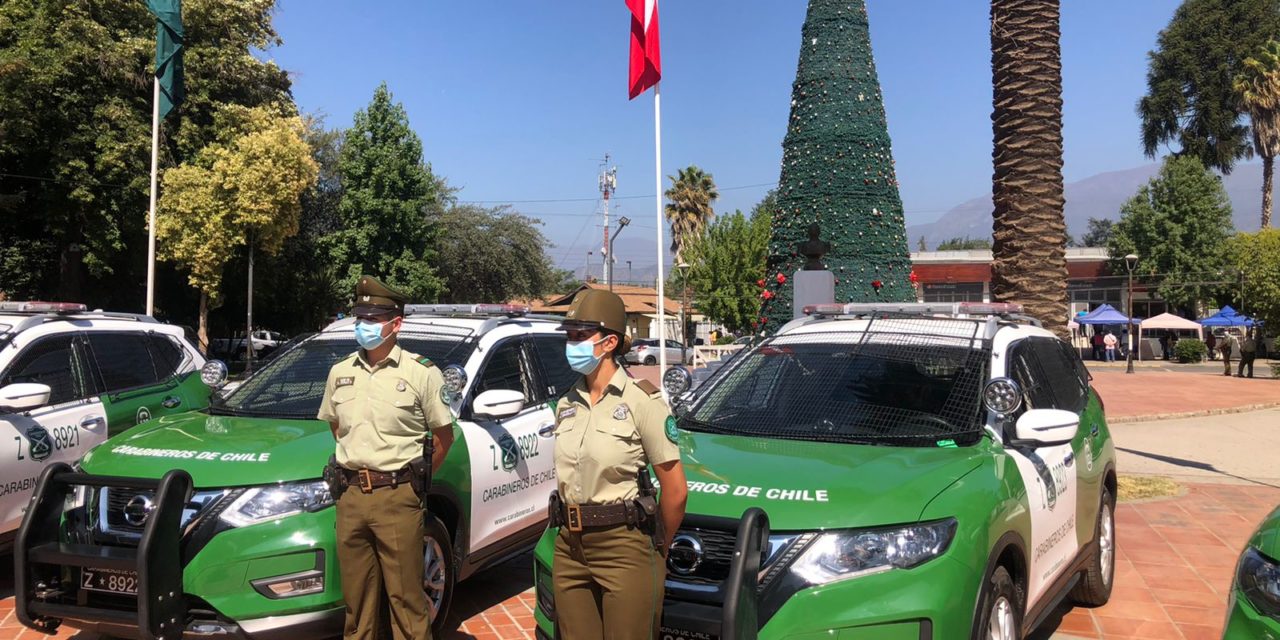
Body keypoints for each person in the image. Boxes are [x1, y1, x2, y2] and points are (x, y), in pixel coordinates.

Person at [317, 276, 455, 640]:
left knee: (406, 602)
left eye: (373, 319)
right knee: (357, 604)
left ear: (396, 324)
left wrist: (410, 482)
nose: (363, 326)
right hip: (349, 498)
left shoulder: (421, 373)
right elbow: (337, 428)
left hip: (397, 497)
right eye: (360, 318)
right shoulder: (340, 372)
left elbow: (444, 436)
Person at [549, 289, 689, 640]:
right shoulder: (567, 401)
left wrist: (658, 548)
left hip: (624, 546)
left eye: (581, 336)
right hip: (569, 545)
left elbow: (675, 490)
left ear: (609, 342)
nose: (572, 344)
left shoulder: (643, 401)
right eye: (569, 336)